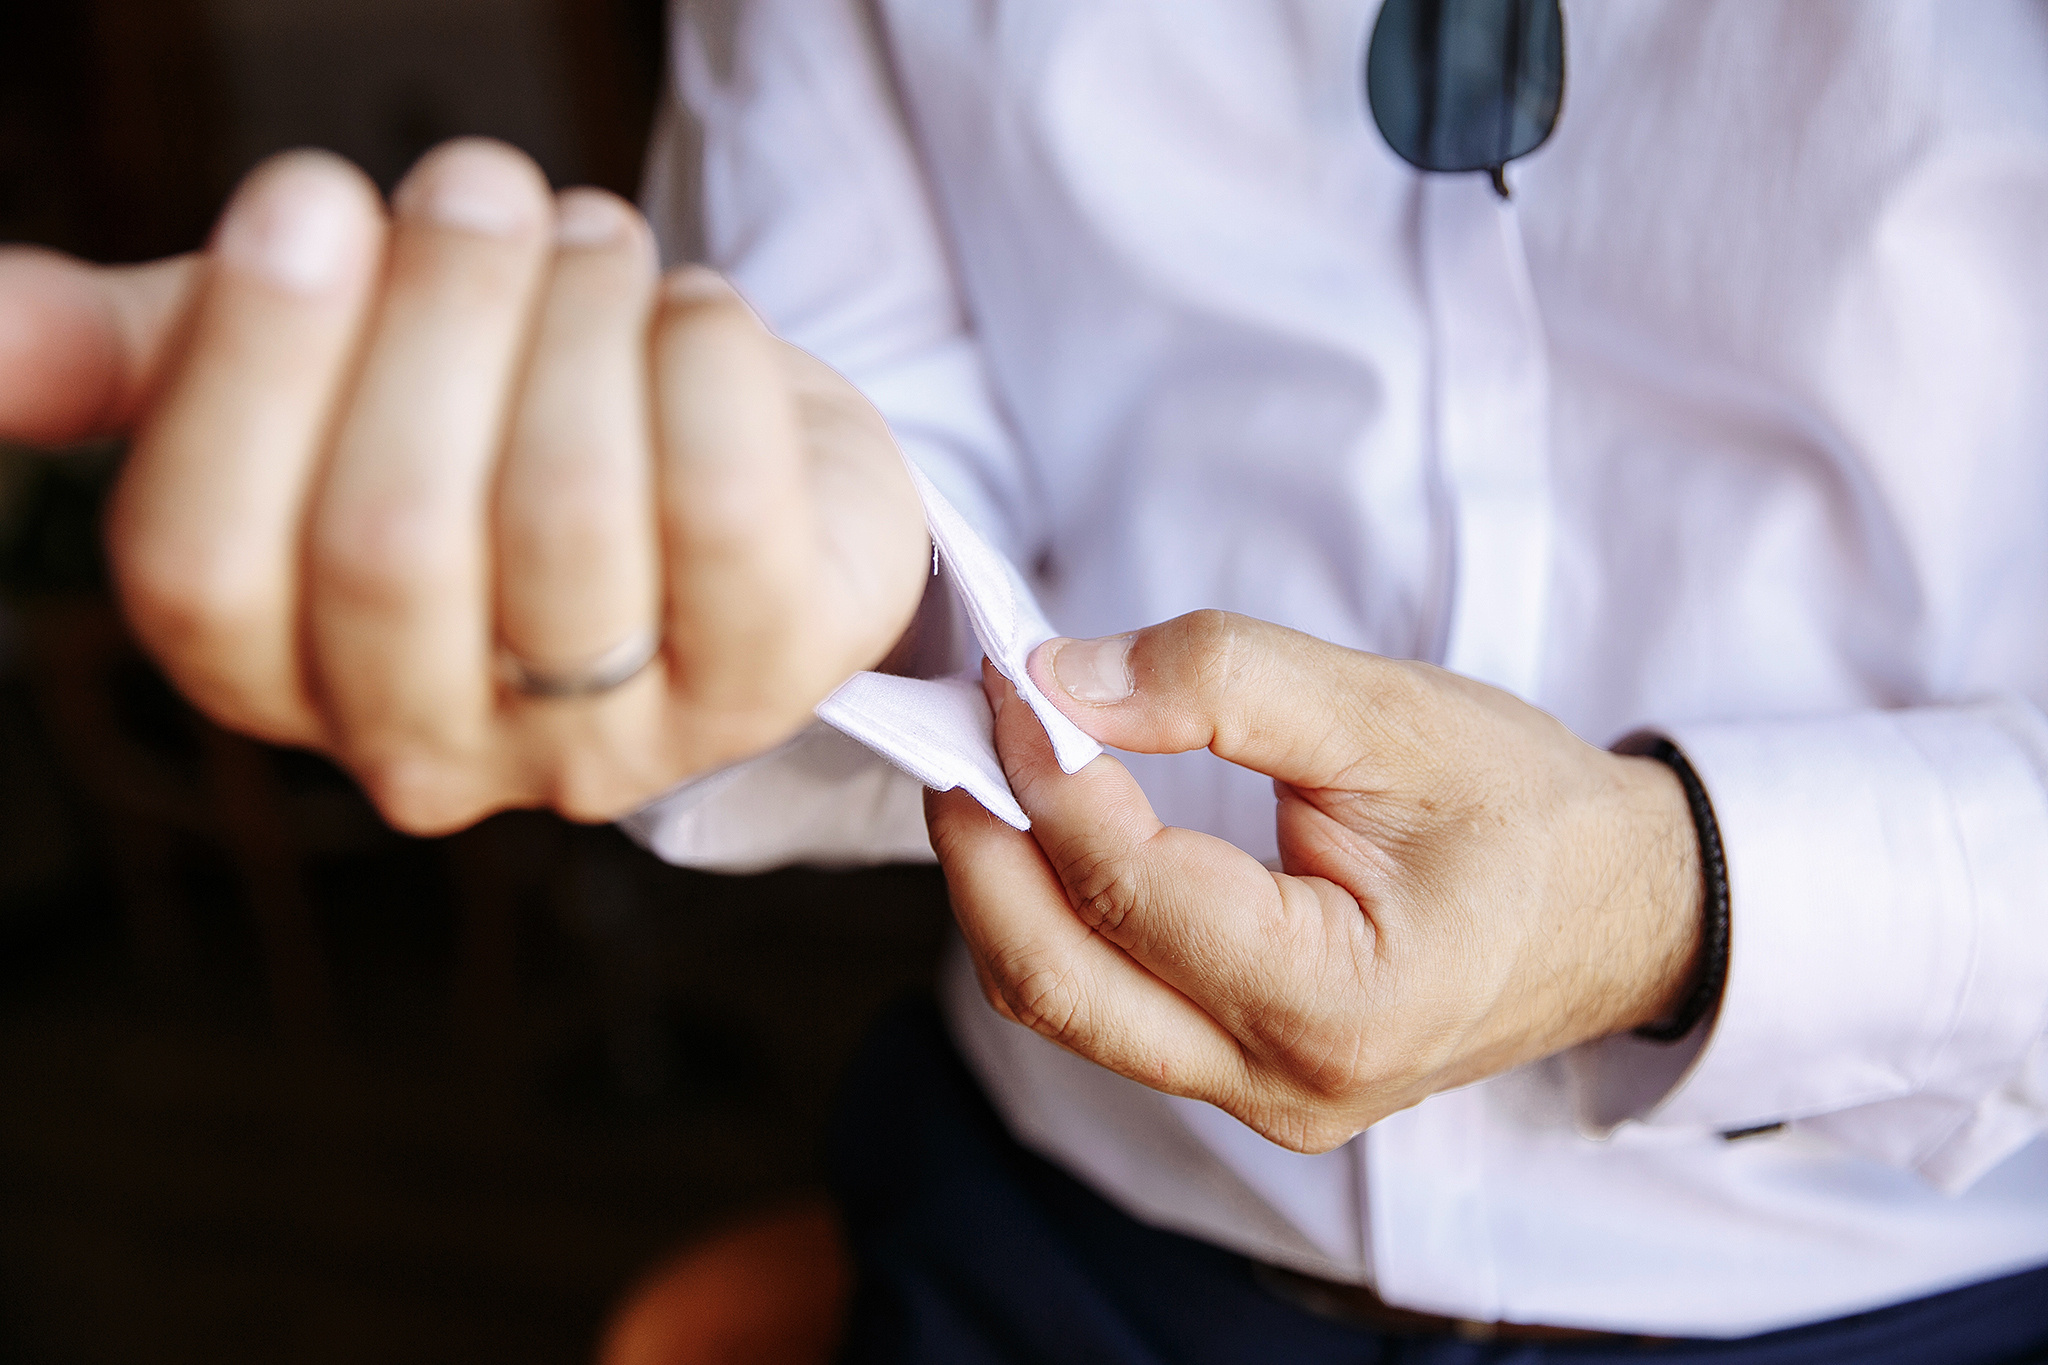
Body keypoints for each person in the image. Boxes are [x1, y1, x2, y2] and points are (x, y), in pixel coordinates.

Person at [3, 0, 2046, 1358]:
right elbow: (869, 385)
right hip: (1038, 1254)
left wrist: (1677, 892)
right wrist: (788, 566)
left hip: (1915, 1289)